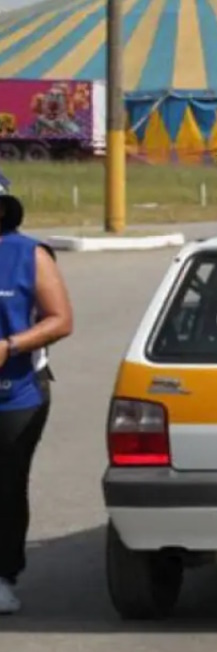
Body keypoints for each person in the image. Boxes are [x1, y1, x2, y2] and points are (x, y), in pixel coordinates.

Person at [0, 194, 73, 614]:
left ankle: (4, 575)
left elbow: (60, 319)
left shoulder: (29, 254)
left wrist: (11, 345)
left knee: (5, 485)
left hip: (15, 393)